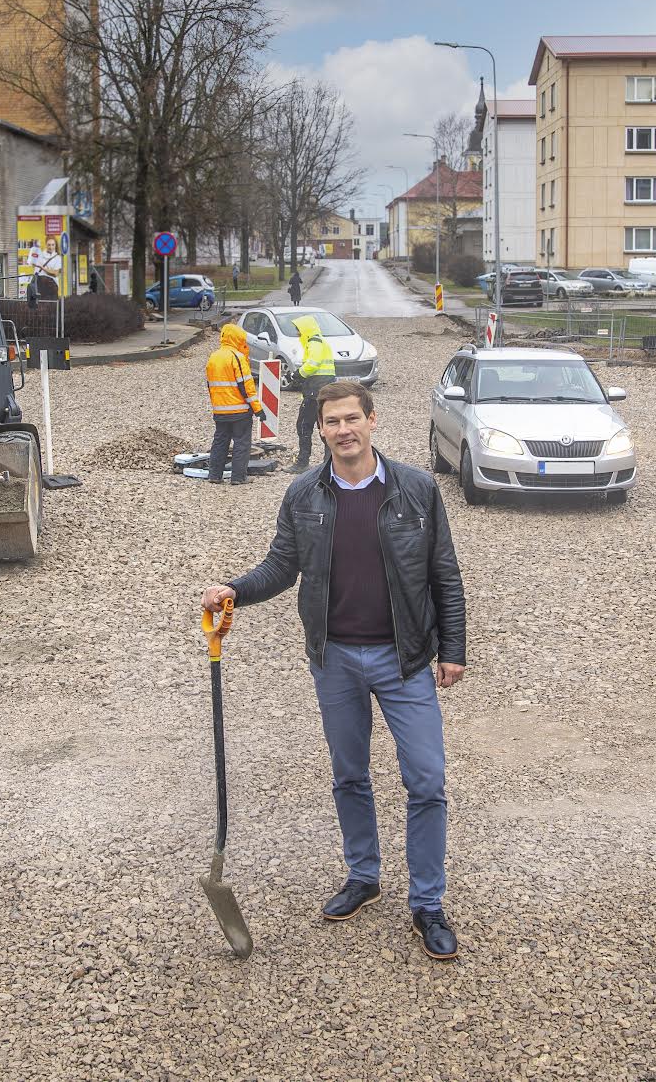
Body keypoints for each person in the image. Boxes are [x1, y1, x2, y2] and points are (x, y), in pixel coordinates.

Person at [202, 381, 467, 961]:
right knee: (350, 775)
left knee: (425, 780)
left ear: (373, 420)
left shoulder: (417, 490)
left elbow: (443, 573)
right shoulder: (303, 495)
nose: (344, 430)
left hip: (406, 660)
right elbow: (281, 566)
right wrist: (235, 591)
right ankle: (364, 875)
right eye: (333, 422)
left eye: (353, 419)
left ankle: (427, 904)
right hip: (336, 659)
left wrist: (453, 649)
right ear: (320, 430)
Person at [203, 322, 263, 485]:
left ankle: (214, 475)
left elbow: (211, 386)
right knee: (241, 444)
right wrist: (257, 409)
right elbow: (246, 387)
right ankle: (238, 477)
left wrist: (218, 405)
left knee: (220, 442)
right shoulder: (238, 357)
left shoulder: (213, 357)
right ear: (237, 338)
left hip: (220, 411)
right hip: (240, 411)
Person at [287, 314, 336, 473]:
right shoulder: (320, 341)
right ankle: (330, 463)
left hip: (316, 391)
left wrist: (298, 374)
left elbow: (313, 363)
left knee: (303, 426)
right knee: (324, 426)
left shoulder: (314, 342)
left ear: (305, 329)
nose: (297, 333)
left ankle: (302, 463)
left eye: (298, 330)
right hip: (323, 390)